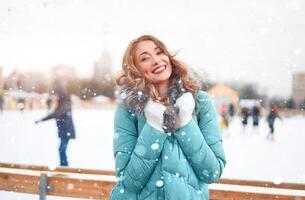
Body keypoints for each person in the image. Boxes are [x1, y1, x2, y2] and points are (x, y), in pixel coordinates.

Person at [110, 35, 226, 200]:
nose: (156, 60)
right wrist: (153, 127)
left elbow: (212, 172)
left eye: (159, 52)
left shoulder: (200, 102)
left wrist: (185, 123)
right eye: (145, 58)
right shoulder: (128, 109)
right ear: (135, 69)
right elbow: (130, 181)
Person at [35, 82, 75, 166]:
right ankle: (63, 165)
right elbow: (55, 114)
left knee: (61, 149)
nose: (54, 97)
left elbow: (55, 114)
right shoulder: (62, 103)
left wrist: (42, 119)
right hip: (64, 130)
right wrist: (41, 120)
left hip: (66, 130)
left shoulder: (64, 104)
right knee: (61, 149)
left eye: (55, 94)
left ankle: (64, 166)